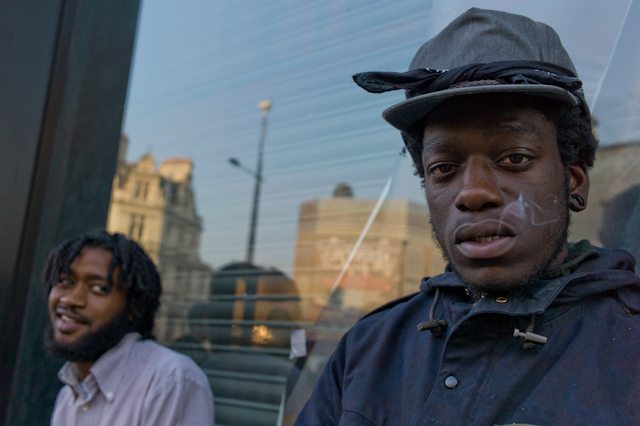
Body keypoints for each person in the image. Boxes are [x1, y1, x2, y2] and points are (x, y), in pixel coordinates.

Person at [294, 8, 640, 425]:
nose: (473, 193)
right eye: (443, 168)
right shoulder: (367, 350)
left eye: (515, 157)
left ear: (574, 182)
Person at [45, 230, 214, 425]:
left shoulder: (168, 380)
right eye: (65, 282)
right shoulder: (68, 397)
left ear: (133, 308)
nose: (70, 299)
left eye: (98, 288)